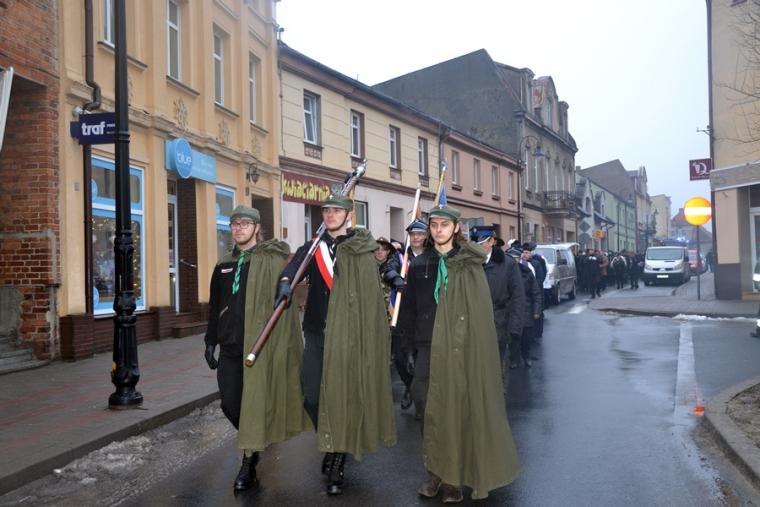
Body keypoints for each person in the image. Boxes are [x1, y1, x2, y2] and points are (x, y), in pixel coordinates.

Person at [274, 194, 396, 495]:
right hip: (317, 329)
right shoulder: (313, 246)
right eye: (326, 210)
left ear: (347, 214)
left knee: (342, 395)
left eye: (336, 211)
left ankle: (338, 455)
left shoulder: (358, 247)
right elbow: (294, 266)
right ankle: (331, 437)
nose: (330, 215)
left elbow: (373, 279)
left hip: (348, 335)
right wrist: (285, 283)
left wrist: (392, 275)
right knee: (312, 395)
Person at [397, 205, 520, 503]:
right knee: (428, 410)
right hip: (427, 345)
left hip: (459, 346)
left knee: (455, 409)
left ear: (455, 228)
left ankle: (452, 478)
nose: (438, 230)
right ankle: (434, 471)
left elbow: (479, 309)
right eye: (434, 225)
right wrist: (406, 347)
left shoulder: (467, 264)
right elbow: (410, 309)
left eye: (444, 224)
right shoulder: (419, 264)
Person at [203, 205, 309, 492]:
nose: (239, 228)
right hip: (230, 346)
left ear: (257, 228)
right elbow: (215, 305)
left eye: (245, 224)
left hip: (259, 346)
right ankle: (256, 436)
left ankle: (248, 460)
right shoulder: (224, 264)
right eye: (235, 224)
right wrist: (210, 341)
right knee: (230, 403)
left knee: (253, 403)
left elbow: (290, 291)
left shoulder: (271, 261)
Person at [470, 225, 525, 377]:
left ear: (492, 241)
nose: (478, 246)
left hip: (499, 321)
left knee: (495, 367)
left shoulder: (508, 264)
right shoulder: (469, 263)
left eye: (482, 242)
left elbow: (518, 296)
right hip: (473, 322)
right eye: (475, 243)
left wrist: (514, 327)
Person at [391, 218, 428, 413]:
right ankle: (410, 385)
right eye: (413, 234)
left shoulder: (432, 256)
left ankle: (419, 397)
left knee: (421, 358)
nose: (416, 238)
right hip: (403, 314)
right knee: (399, 358)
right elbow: (387, 269)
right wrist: (395, 278)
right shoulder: (400, 257)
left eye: (420, 234)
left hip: (425, 315)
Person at [505, 245, 542, 369]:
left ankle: (526, 356)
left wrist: (537, 310)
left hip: (526, 309)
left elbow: (536, 293)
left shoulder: (527, 272)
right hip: (510, 310)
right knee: (513, 337)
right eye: (512, 259)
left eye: (516, 259)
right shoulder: (505, 274)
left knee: (526, 337)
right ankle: (514, 359)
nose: (514, 261)